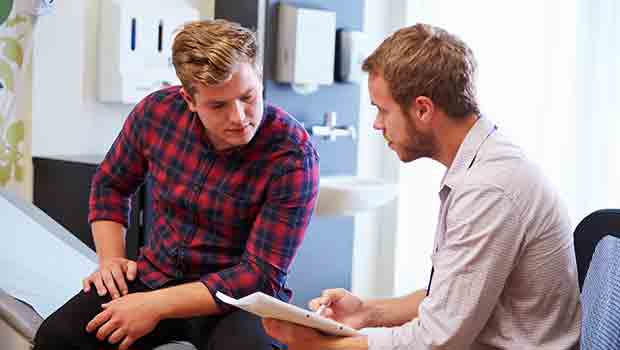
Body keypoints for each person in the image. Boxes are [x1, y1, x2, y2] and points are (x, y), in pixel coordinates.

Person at [262, 23, 581, 350]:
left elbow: (437, 338)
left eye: (382, 110)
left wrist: (320, 346)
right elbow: (450, 299)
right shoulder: (483, 164)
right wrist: (367, 311)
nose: (376, 124)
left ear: (423, 109)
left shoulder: (489, 189)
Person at [33, 19, 319, 350]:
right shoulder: (157, 113)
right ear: (189, 99)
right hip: (156, 274)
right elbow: (110, 184)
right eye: (218, 105)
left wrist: (155, 305)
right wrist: (110, 260)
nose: (239, 117)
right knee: (58, 338)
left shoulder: (292, 155)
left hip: (239, 301)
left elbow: (259, 274)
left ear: (259, 81)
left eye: (248, 96)